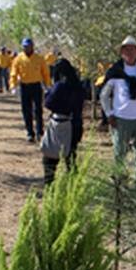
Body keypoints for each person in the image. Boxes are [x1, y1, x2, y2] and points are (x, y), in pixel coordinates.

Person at [99, 36, 136, 181]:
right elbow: (104, 95)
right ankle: (119, 186)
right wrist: (109, 114)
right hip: (121, 119)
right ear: (121, 52)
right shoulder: (115, 71)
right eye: (126, 49)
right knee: (119, 154)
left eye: (132, 49)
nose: (129, 52)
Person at [41, 57, 86, 185]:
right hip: (76, 125)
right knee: (70, 158)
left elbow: (48, 103)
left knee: (49, 159)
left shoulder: (60, 86)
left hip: (60, 124)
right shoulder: (79, 86)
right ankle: (74, 187)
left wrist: (48, 93)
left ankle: (49, 187)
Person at [10, 38, 51, 142]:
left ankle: (39, 131)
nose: (26, 48)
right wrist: (13, 86)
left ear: (32, 46)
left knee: (38, 109)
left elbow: (45, 73)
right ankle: (30, 132)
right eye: (24, 46)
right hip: (24, 86)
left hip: (36, 86)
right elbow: (14, 73)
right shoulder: (18, 58)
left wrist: (48, 85)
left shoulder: (39, 58)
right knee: (26, 110)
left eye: (28, 46)